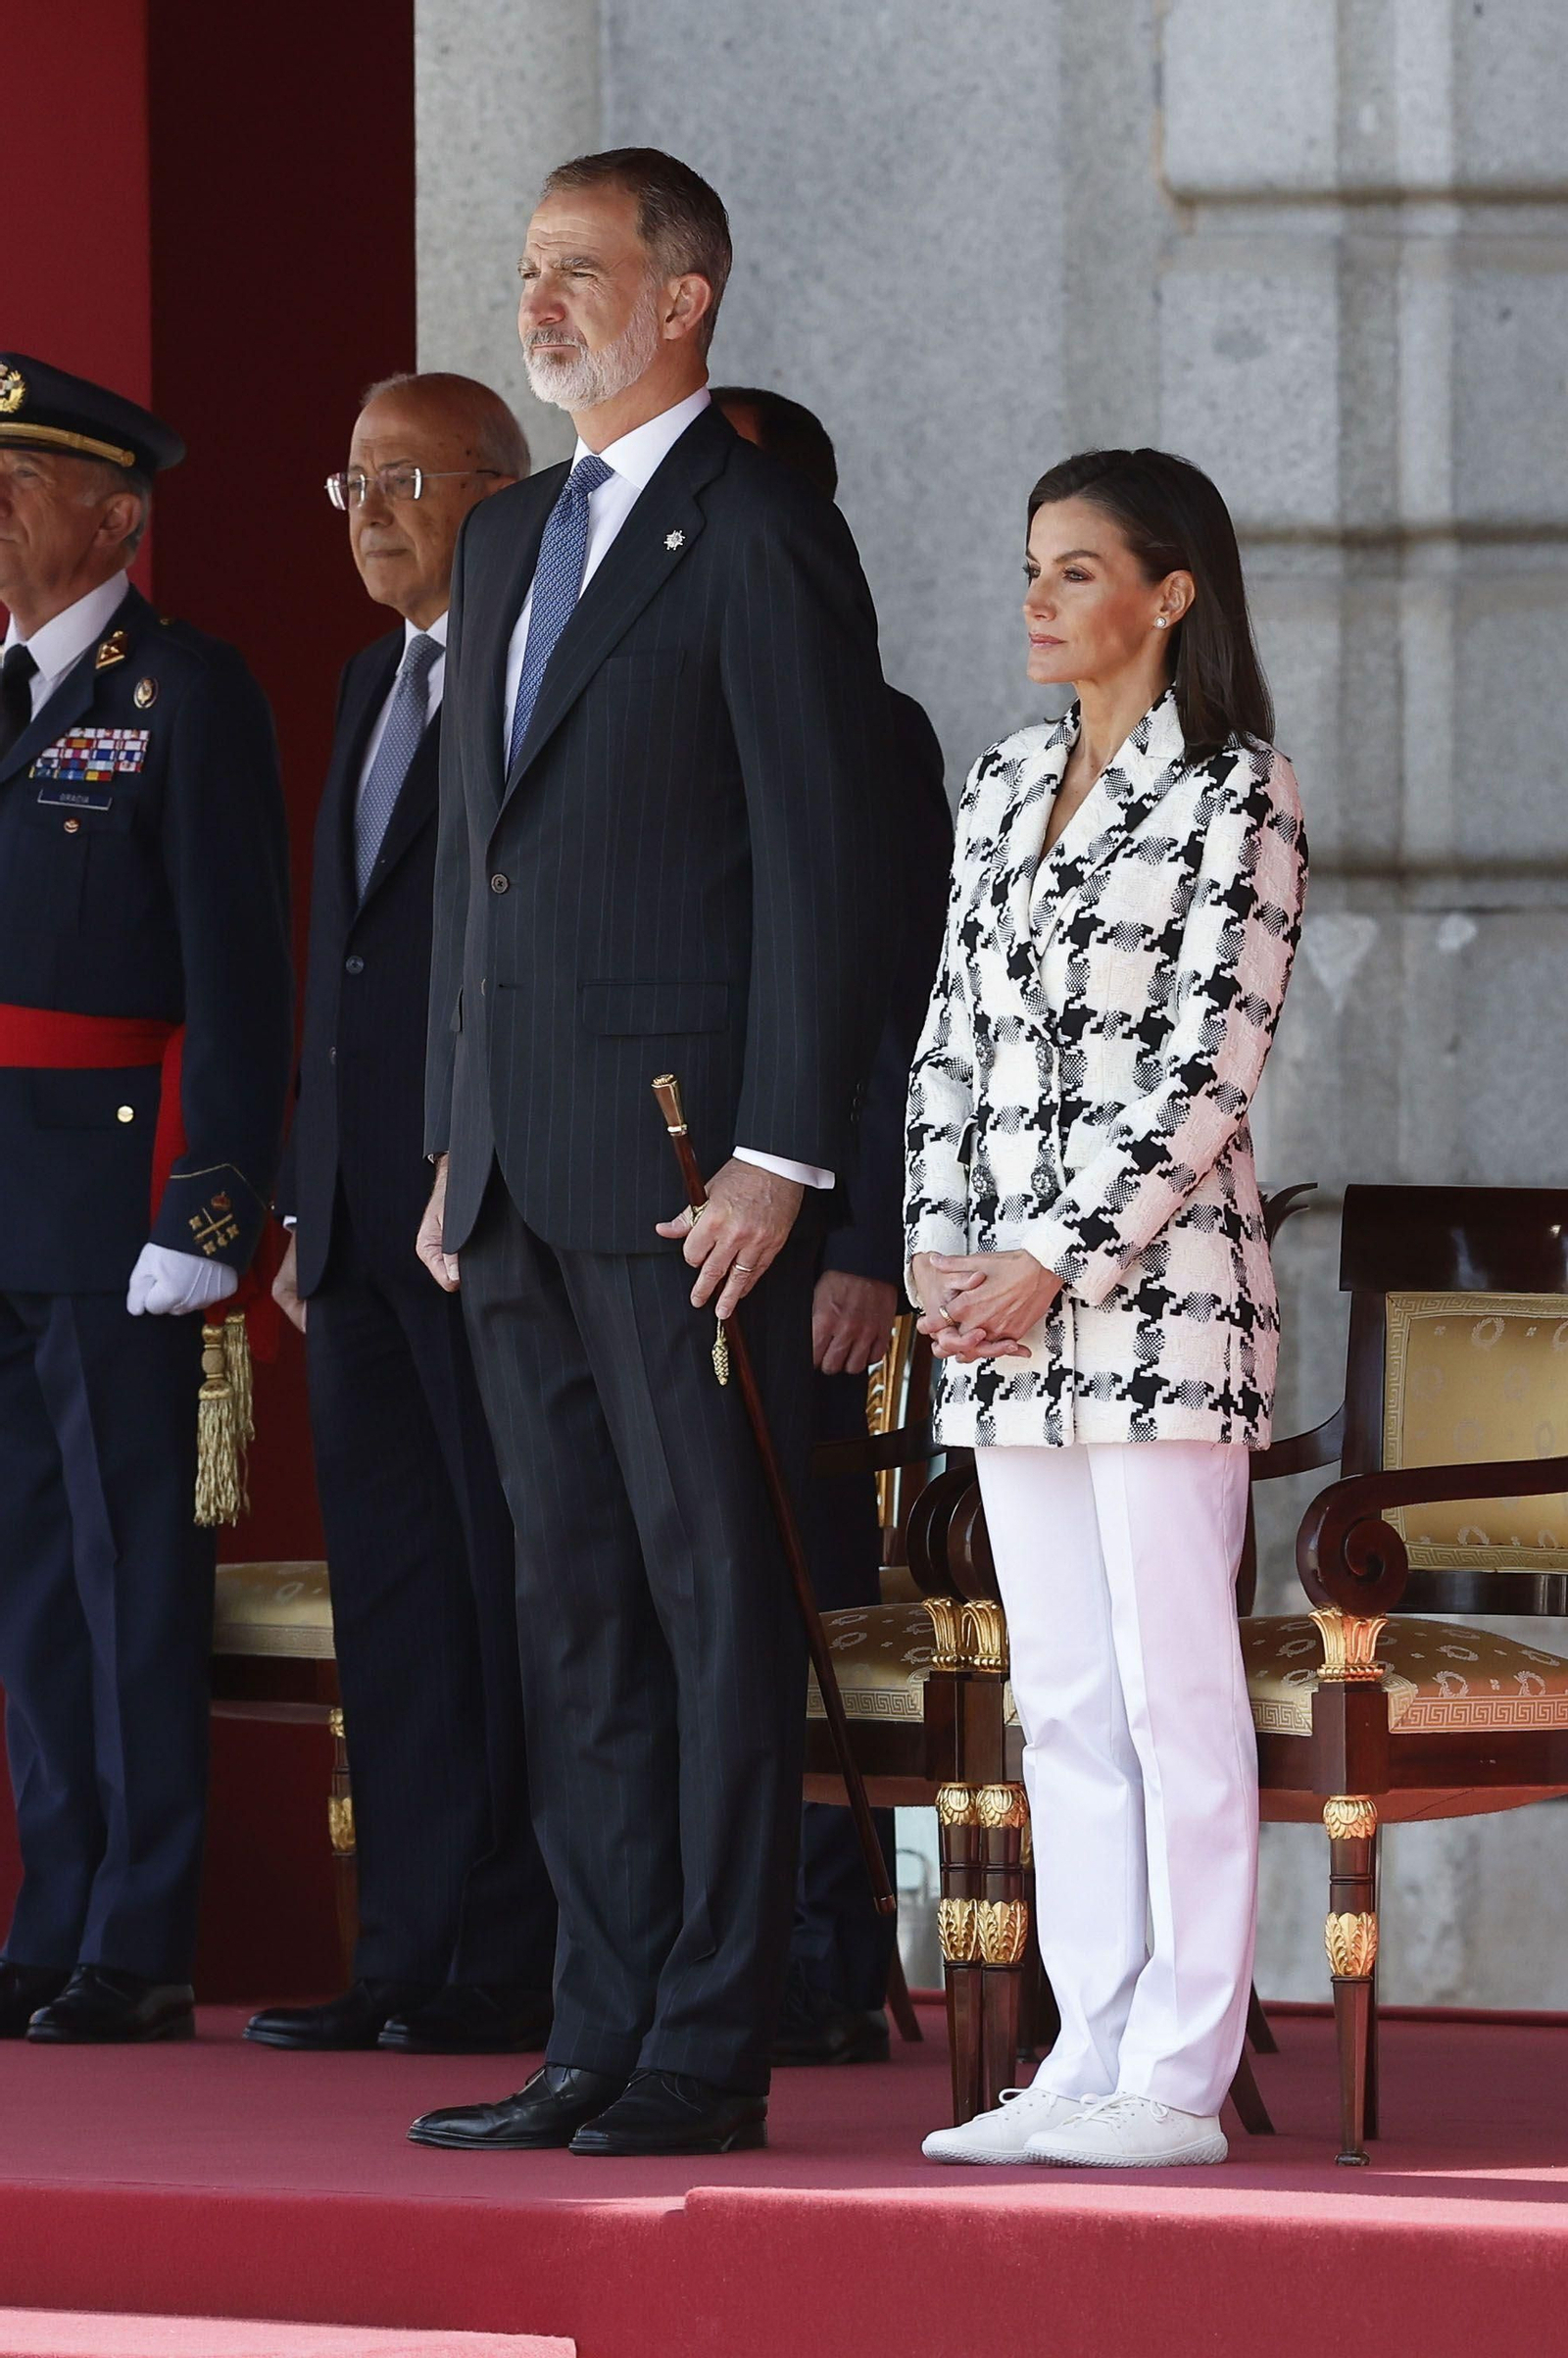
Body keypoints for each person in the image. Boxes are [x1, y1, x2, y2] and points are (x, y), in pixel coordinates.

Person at [406, 148, 889, 2160]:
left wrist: (785, 1157)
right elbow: (471, 870)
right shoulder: (508, 535)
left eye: (575, 272)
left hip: (695, 1179)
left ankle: (707, 2038)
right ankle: (592, 2029)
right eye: (524, 273)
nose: (534, 305)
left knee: (707, 1609)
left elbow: (821, 864)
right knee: (571, 1614)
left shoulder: (759, 528)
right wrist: (451, 1140)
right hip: (516, 1175)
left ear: (680, 294)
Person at [907, 447, 1306, 2168]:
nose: (1040, 597)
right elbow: (946, 1042)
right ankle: (1082, 2046)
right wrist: (939, 1246)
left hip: (1158, 1304)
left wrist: (1055, 1253)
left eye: (1078, 570)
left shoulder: (1240, 789)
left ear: (1172, 592)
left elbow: (1210, 1068)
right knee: (1056, 1692)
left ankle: (1180, 2071)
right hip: (996, 1315)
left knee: (1174, 1692)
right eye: (1031, 564)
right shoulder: (997, 783)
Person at [246, 373, 559, 2057]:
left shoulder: (531, 674)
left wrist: (463, 1147)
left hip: (482, 1203)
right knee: (396, 1590)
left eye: (404, 479)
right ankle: (411, 1951)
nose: (366, 512)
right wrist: (308, 1194)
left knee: (508, 1580)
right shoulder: (377, 676)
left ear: (499, 496)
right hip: (358, 1220)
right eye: (348, 480)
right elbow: (349, 966)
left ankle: (512, 1950)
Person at [0, 355, 292, 2042]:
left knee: (130, 1577)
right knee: (32, 1578)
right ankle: (54, 1907)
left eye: (20, 475)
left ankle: (139, 1929)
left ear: (114, 511)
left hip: (117, 1201)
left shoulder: (182, 689)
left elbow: (235, 979)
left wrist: (205, 1212)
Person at [712, 385, 952, 2067]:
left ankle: (825, 1942)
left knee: (803, 1580)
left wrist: (868, 1231)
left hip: (811, 1239)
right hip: (647, 1213)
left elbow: (893, 1010)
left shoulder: (876, 727)